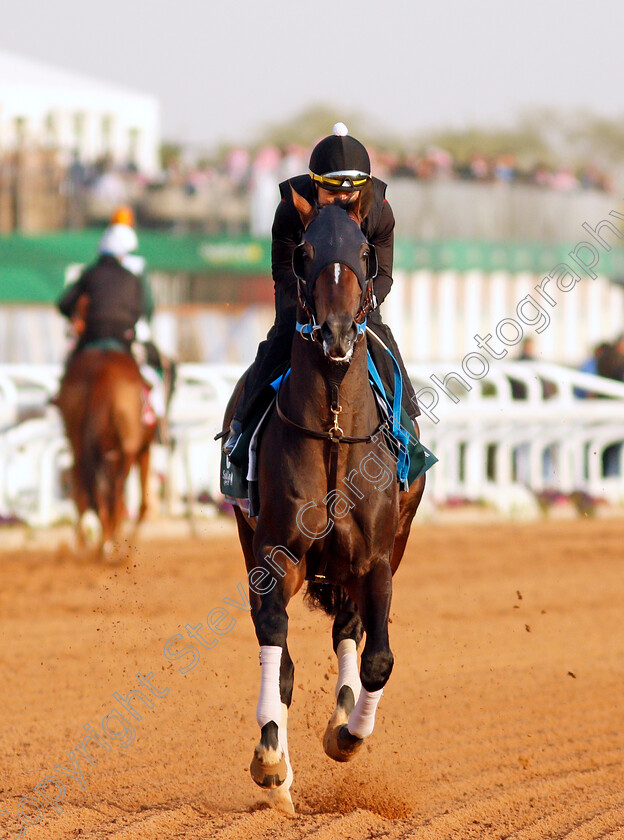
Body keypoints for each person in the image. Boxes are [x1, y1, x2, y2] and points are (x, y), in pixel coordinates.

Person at [224, 123, 419, 454]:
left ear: (365, 190)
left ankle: (409, 435)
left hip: (357, 300)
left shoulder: (380, 212)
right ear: (314, 187)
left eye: (351, 193)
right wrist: (306, 302)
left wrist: (364, 305)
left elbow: (383, 275)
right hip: (303, 295)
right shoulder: (291, 208)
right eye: (332, 193)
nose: (342, 200)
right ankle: (240, 434)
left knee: (384, 346)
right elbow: (282, 268)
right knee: (279, 340)